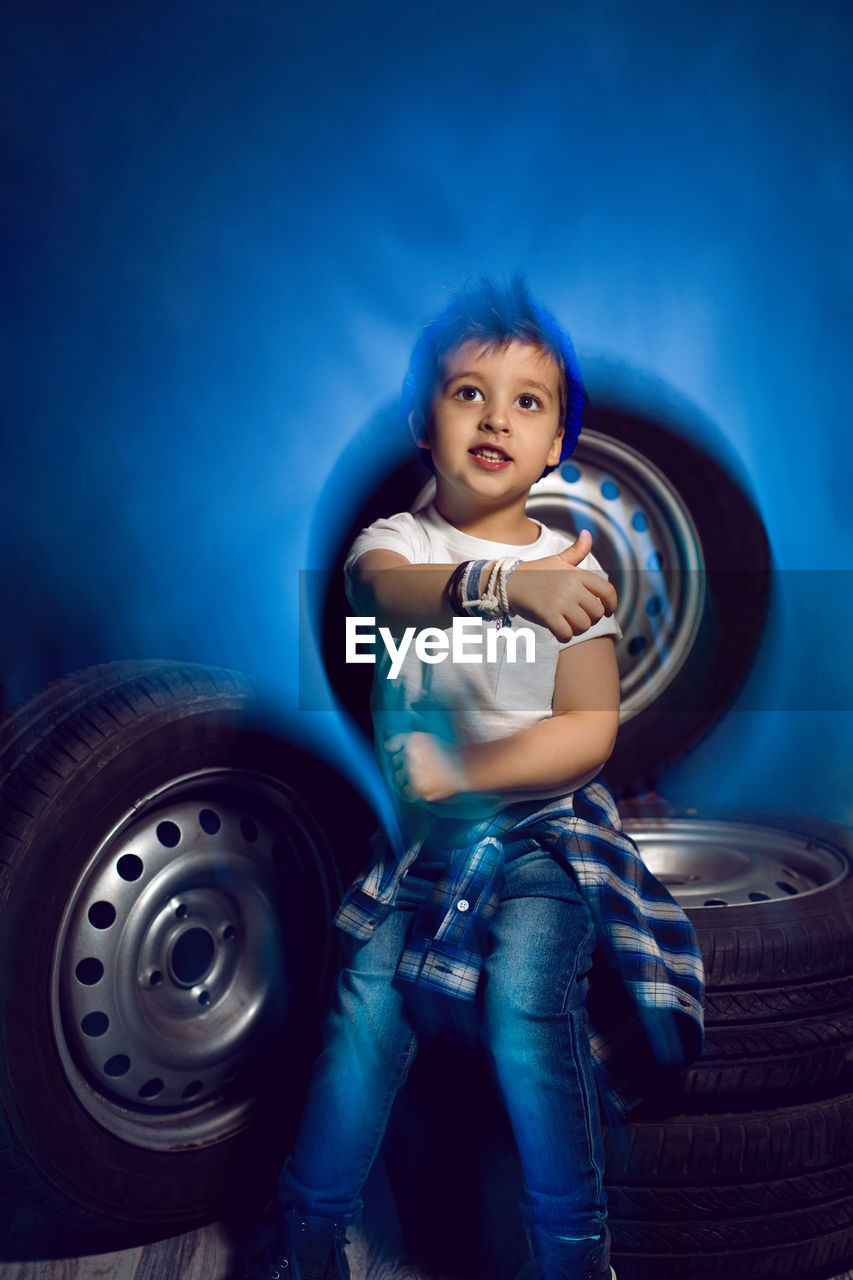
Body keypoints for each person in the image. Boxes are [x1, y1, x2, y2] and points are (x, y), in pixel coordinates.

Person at [245, 278, 704, 1280]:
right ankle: (307, 1241)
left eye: (527, 401)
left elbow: (586, 732)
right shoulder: (397, 546)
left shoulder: (575, 571)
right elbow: (386, 594)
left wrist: (470, 763)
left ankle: (577, 1256)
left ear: (557, 448)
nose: (496, 417)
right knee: (364, 1015)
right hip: (424, 849)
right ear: (423, 419)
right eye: (467, 393)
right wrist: (501, 584)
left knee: (524, 1006)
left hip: (543, 836)